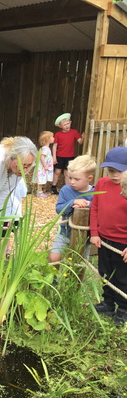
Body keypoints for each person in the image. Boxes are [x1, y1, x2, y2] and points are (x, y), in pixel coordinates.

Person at [89, 147, 127, 326]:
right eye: (111, 171)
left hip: (123, 242)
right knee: (105, 272)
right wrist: (94, 233)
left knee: (122, 277)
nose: (114, 175)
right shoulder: (102, 184)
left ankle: (123, 309)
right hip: (103, 239)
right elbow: (95, 208)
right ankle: (108, 303)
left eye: (119, 171)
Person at [48, 155, 96, 264]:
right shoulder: (65, 190)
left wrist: (89, 204)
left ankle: (75, 281)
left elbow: (101, 209)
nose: (72, 182)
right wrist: (72, 203)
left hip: (84, 235)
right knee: (54, 258)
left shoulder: (95, 192)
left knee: (80, 261)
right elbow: (59, 209)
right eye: (70, 178)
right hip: (64, 232)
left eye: (77, 179)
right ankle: (54, 280)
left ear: (89, 178)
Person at [51, 113, 83, 194]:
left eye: (68, 123)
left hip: (70, 156)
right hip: (59, 155)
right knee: (57, 172)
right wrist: (54, 157)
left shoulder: (74, 132)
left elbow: (80, 142)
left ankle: (67, 188)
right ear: (60, 126)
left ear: (70, 123)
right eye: (64, 124)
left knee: (67, 173)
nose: (66, 126)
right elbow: (55, 146)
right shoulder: (58, 134)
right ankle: (53, 187)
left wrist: (83, 137)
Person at [34, 131, 54, 197]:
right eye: (52, 137)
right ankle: (39, 192)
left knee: (41, 179)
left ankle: (40, 191)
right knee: (41, 179)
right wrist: (45, 165)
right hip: (42, 167)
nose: (53, 138)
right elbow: (42, 156)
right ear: (48, 139)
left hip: (43, 166)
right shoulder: (46, 148)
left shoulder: (46, 148)